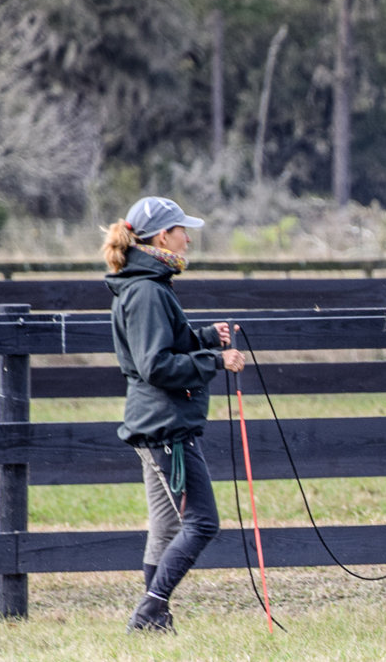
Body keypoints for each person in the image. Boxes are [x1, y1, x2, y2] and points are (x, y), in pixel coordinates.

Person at [103, 196, 246, 632]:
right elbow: (155, 365)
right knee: (203, 522)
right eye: (183, 229)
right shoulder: (147, 290)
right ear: (163, 236)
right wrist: (215, 362)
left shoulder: (150, 283)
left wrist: (204, 337)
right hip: (166, 427)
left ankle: (156, 618)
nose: (188, 237)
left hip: (157, 424)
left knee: (166, 528)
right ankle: (149, 610)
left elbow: (166, 341)